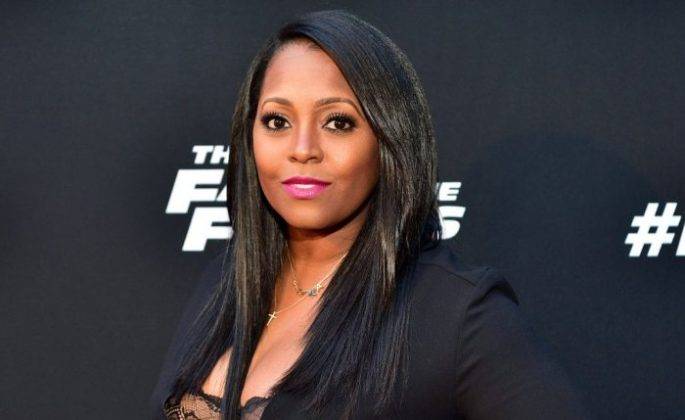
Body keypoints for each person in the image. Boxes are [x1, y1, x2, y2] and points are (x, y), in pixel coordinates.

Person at [150, 9, 591, 420]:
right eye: (277, 121)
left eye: (338, 122)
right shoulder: (226, 281)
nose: (302, 149)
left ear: (389, 141)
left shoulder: (454, 314)